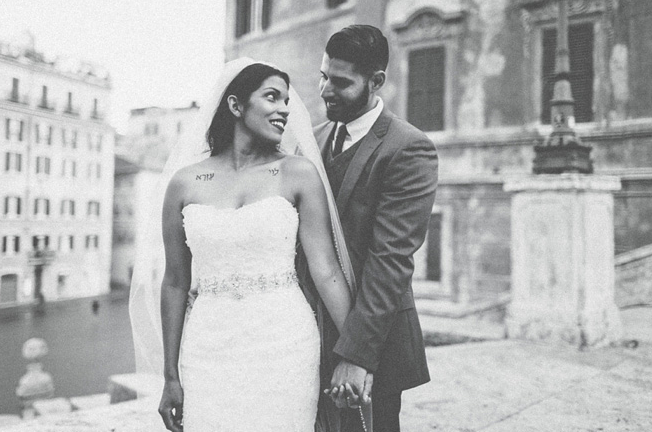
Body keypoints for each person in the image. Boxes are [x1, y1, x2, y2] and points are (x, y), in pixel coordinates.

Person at [139, 60, 360, 432]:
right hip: (207, 349)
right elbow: (175, 282)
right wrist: (170, 375)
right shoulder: (185, 183)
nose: (284, 109)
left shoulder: (298, 173)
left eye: (286, 101)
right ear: (236, 106)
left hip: (285, 345)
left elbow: (326, 271)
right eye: (271, 97)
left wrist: (357, 353)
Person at [315, 25, 439, 432]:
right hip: (304, 336)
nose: (325, 91)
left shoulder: (408, 147)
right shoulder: (311, 140)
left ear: (376, 81)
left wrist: (356, 356)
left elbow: (391, 261)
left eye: (340, 82)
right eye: (323, 77)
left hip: (374, 344)